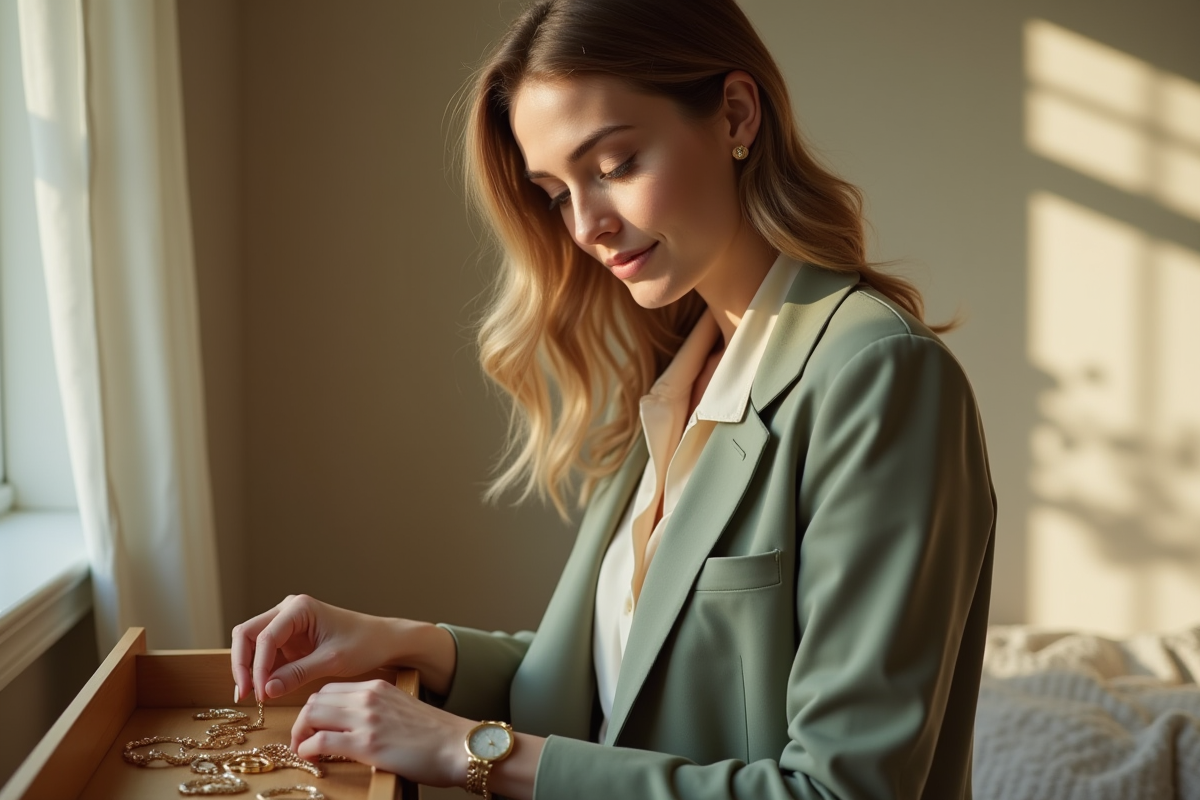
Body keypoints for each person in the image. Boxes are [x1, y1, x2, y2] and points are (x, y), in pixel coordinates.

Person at [230, 1, 996, 798]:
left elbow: (842, 790)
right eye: (557, 192)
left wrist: (473, 750)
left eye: (616, 164)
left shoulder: (878, 376)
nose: (588, 225)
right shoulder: (681, 368)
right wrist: (407, 642)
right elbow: (623, 680)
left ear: (736, 115)